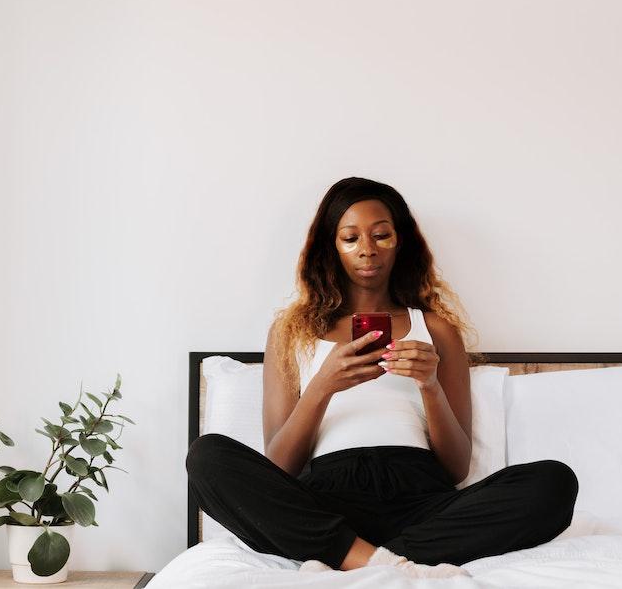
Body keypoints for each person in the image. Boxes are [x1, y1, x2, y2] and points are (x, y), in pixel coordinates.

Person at [186, 177, 579, 578]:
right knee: (207, 457)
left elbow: (457, 468)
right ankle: (389, 563)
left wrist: (430, 385)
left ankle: (357, 558)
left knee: (554, 483)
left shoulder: (437, 330)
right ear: (331, 247)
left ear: (400, 240)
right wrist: (323, 386)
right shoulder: (292, 333)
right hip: (325, 501)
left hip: (420, 501)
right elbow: (281, 466)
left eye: (381, 235)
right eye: (350, 238)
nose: (367, 250)